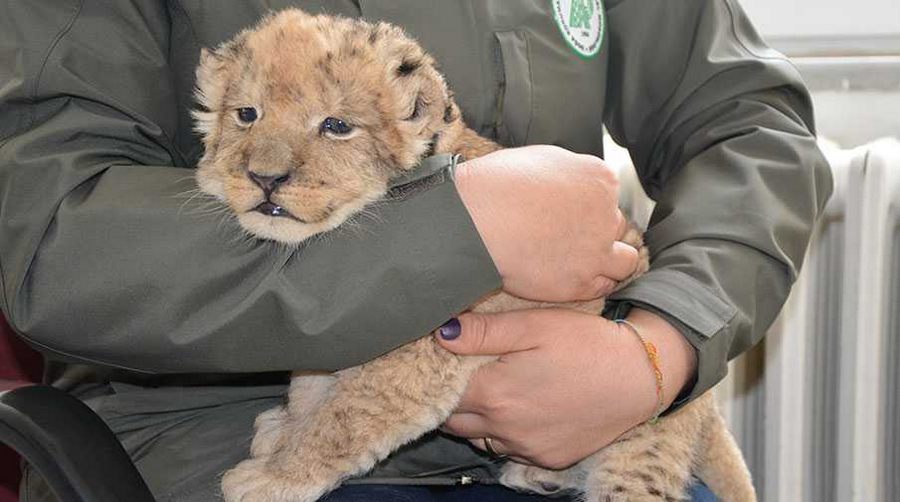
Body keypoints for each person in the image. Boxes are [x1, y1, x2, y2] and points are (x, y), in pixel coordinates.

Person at [0, 1, 831, 501]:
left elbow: (746, 122)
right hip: (230, 435)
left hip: (583, 417)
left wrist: (662, 344)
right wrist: (459, 235)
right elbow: (52, 232)